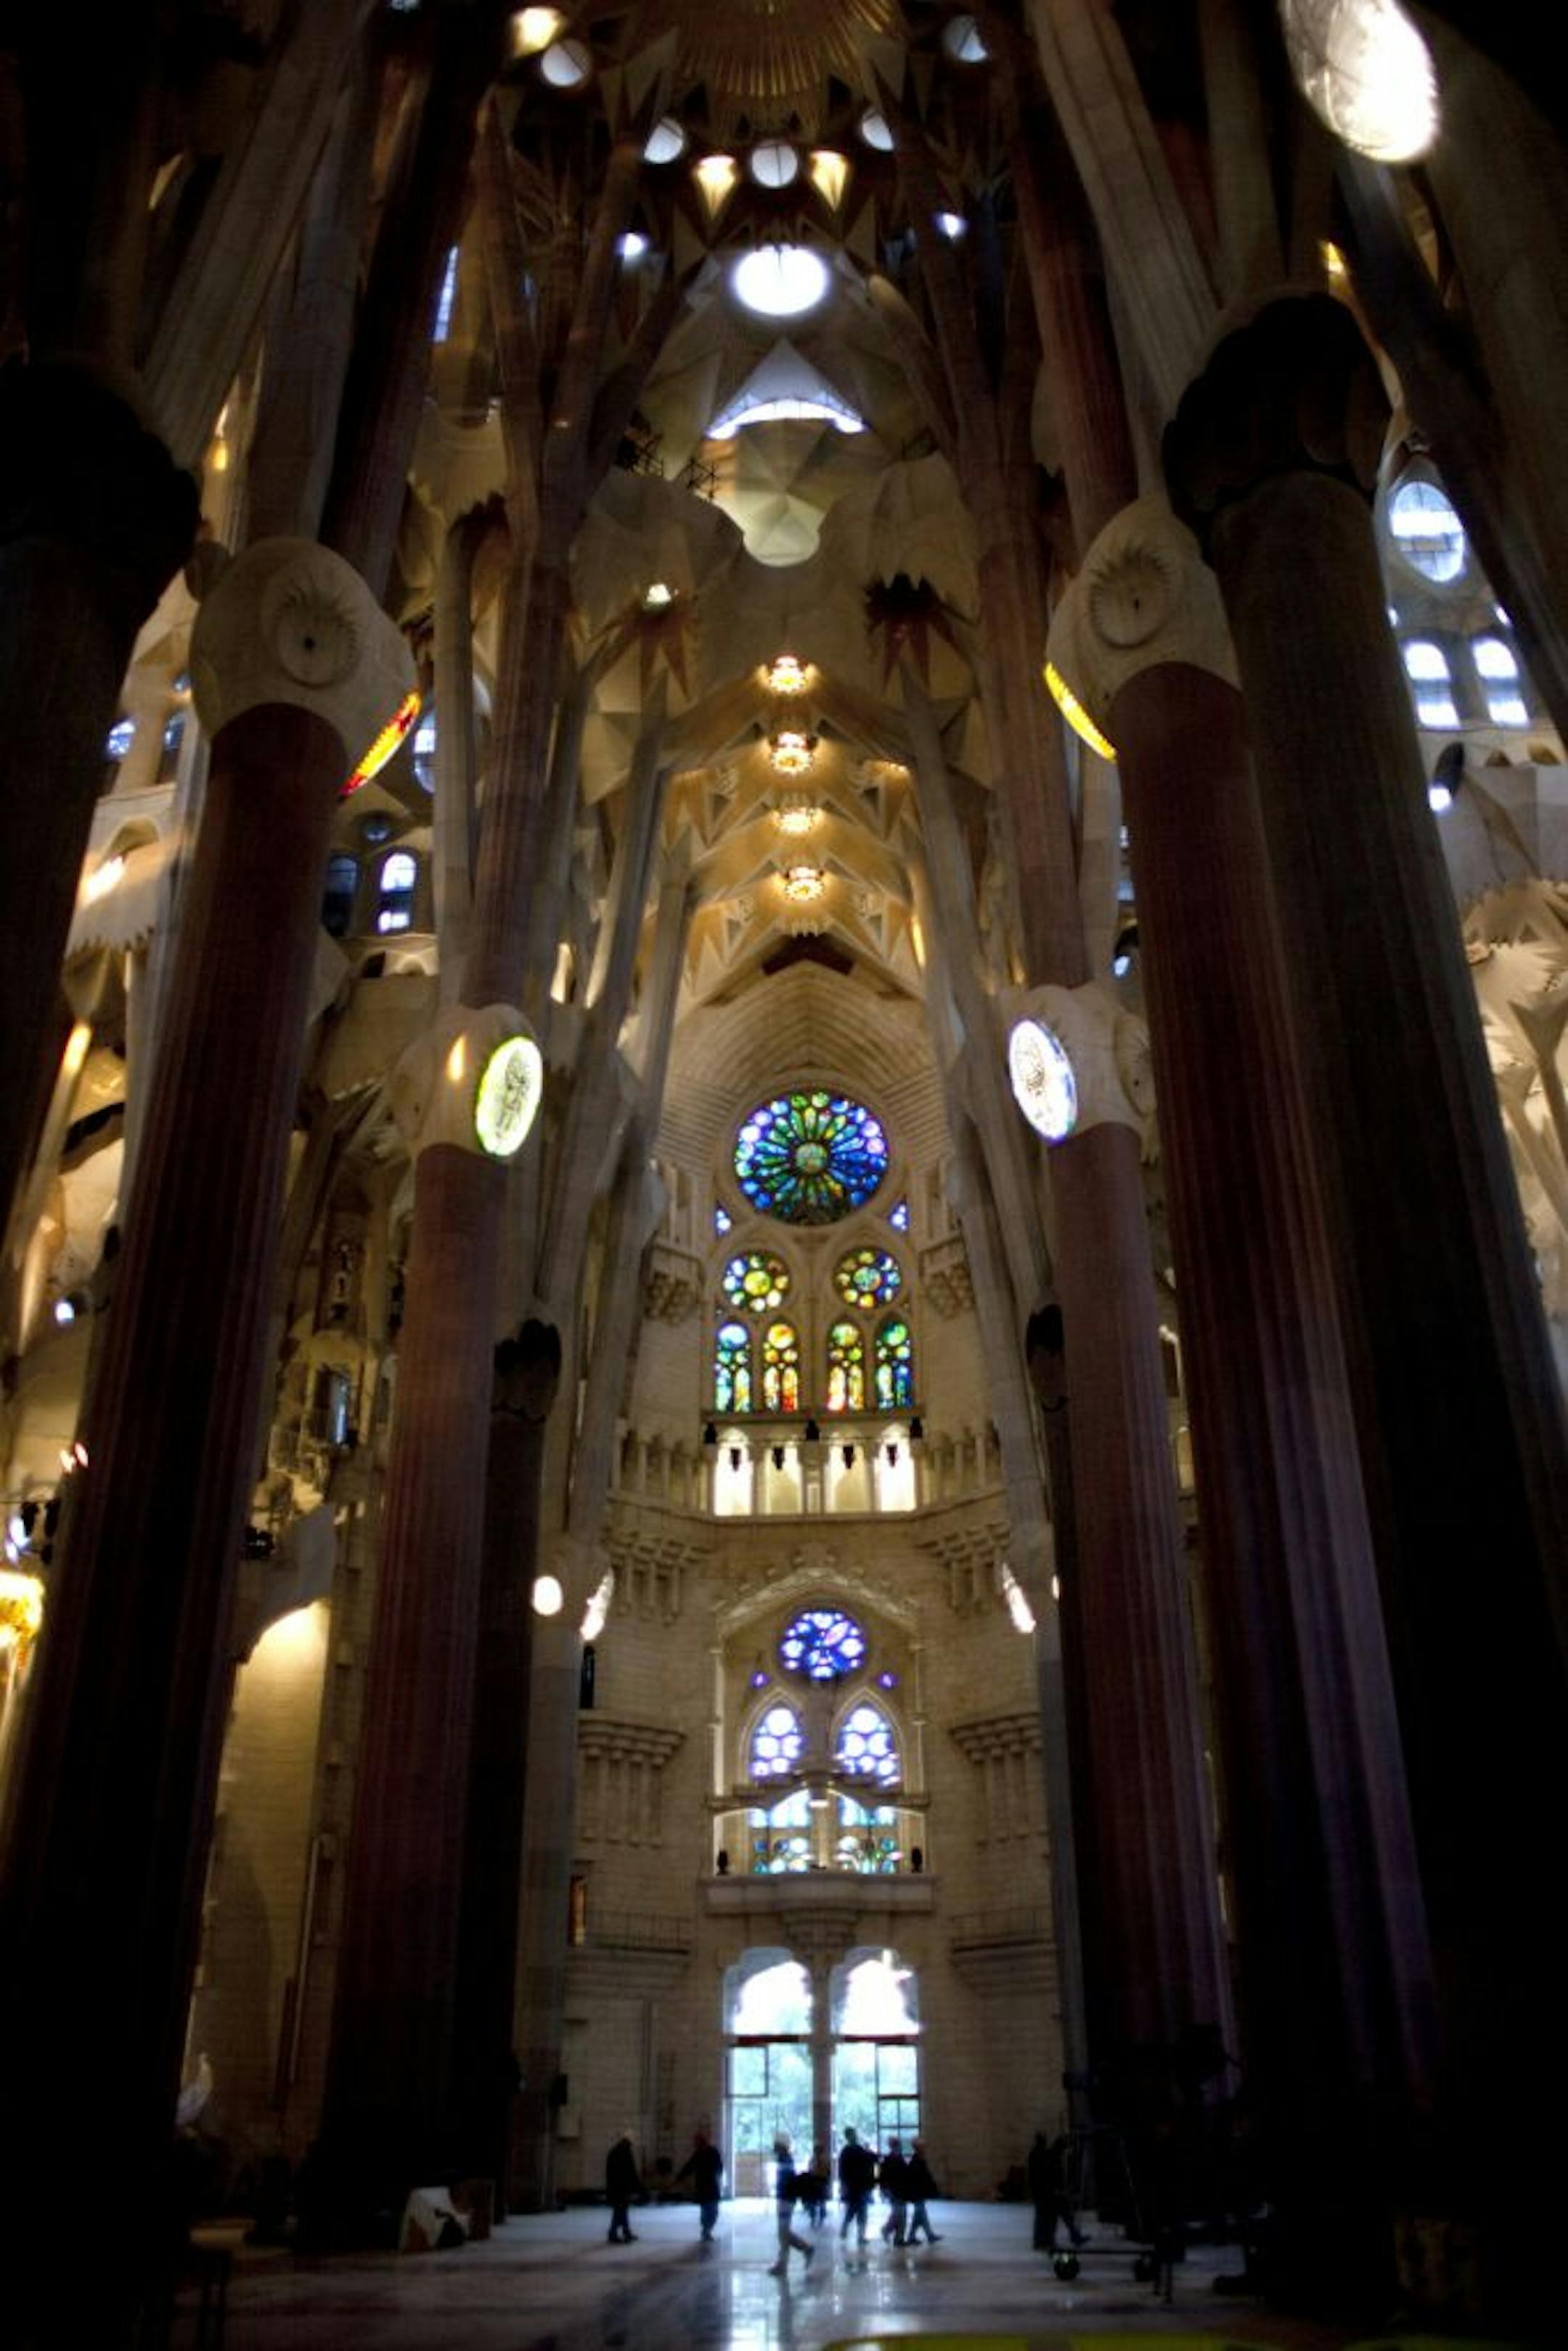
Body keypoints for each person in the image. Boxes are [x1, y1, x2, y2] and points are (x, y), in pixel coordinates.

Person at [1027, 2129, 1086, 2253]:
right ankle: (1048, 2241)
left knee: (1055, 2217)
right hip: (1047, 2193)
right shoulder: (1043, 2156)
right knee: (1049, 2218)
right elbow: (1042, 2177)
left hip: (1049, 2193)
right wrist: (1055, 2190)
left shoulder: (1045, 2155)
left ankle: (1065, 2238)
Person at [768, 2135, 814, 2275]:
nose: (774, 2148)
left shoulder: (785, 2160)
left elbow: (787, 2182)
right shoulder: (785, 2160)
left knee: (783, 2233)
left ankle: (802, 2251)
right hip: (786, 2199)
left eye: (776, 2145)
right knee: (783, 2233)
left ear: (782, 2146)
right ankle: (801, 2252)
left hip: (786, 2200)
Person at [671, 2127, 724, 2242]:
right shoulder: (699, 2154)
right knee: (707, 2210)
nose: (695, 2144)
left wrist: (718, 2175)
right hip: (705, 2187)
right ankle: (706, 2230)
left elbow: (720, 2167)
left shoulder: (712, 2151)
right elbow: (688, 2167)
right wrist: (678, 2179)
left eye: (697, 2142)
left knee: (713, 2211)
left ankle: (707, 2229)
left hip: (711, 2186)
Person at [838, 2126, 877, 2246]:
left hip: (853, 2185)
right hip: (860, 2185)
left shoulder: (845, 2151)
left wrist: (843, 2185)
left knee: (854, 2209)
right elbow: (872, 2158)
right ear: (851, 2136)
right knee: (860, 2210)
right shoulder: (858, 2150)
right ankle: (859, 2236)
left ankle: (847, 2230)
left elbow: (842, 2171)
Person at [605, 2130, 641, 2244]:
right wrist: (634, 2187)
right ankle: (613, 2233)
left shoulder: (617, 2151)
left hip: (618, 2188)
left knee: (622, 2210)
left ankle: (625, 2232)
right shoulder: (623, 2153)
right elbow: (628, 2172)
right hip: (620, 2188)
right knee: (620, 2211)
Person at [904, 2139, 942, 2244]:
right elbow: (921, 2178)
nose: (925, 2149)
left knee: (920, 2215)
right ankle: (929, 2235)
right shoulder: (916, 2161)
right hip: (917, 2193)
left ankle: (915, 2236)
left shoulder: (918, 2160)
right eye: (923, 2147)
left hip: (919, 2192)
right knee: (921, 2214)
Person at [878, 2136, 909, 2244]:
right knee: (898, 2213)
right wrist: (884, 2190)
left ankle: (899, 2238)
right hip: (894, 2190)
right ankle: (886, 2230)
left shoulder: (900, 2158)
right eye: (898, 2145)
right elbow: (882, 2177)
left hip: (901, 2190)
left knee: (903, 2214)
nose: (900, 2147)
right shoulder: (888, 2160)